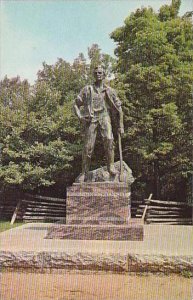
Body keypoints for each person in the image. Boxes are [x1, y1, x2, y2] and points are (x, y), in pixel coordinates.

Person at [74, 65, 124, 182]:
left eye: (100, 72)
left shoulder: (110, 91)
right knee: (88, 146)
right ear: (93, 75)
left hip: (104, 116)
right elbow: (76, 104)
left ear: (104, 75)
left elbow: (119, 109)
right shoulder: (87, 89)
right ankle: (84, 173)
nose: (98, 74)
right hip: (91, 119)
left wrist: (121, 126)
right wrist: (80, 117)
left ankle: (110, 167)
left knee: (109, 139)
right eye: (96, 73)